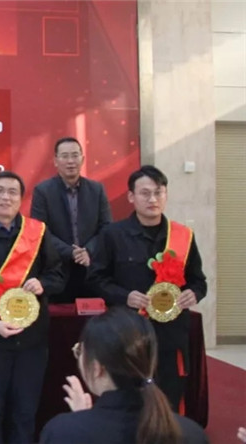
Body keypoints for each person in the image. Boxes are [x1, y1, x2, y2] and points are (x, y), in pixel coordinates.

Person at [87, 165, 207, 412]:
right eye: (145, 193)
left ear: (166, 194)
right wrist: (125, 296)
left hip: (171, 335)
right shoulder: (113, 235)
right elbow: (96, 279)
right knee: (130, 402)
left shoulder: (183, 236)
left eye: (158, 192)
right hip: (129, 335)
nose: (153, 199)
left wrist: (193, 293)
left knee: (168, 402)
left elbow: (198, 281)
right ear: (131, 196)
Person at [0, 171, 64, 444]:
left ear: (21, 199)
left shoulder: (37, 233)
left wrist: (43, 283)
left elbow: (58, 276)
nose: (6, 197)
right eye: (0, 191)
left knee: (25, 415)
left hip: (32, 342)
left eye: (12, 192)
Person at [40, 307, 208, 444]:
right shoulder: (191, 433)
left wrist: (81, 421)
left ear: (97, 368)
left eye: (79, 351)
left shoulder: (62, 432)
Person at [30, 137, 112, 303]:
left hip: (90, 267)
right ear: (55, 161)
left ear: (82, 159)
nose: (70, 161)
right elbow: (40, 231)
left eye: (75, 155)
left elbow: (106, 227)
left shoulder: (96, 190)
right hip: (57, 268)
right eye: (65, 156)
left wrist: (88, 250)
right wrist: (71, 252)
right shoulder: (43, 191)